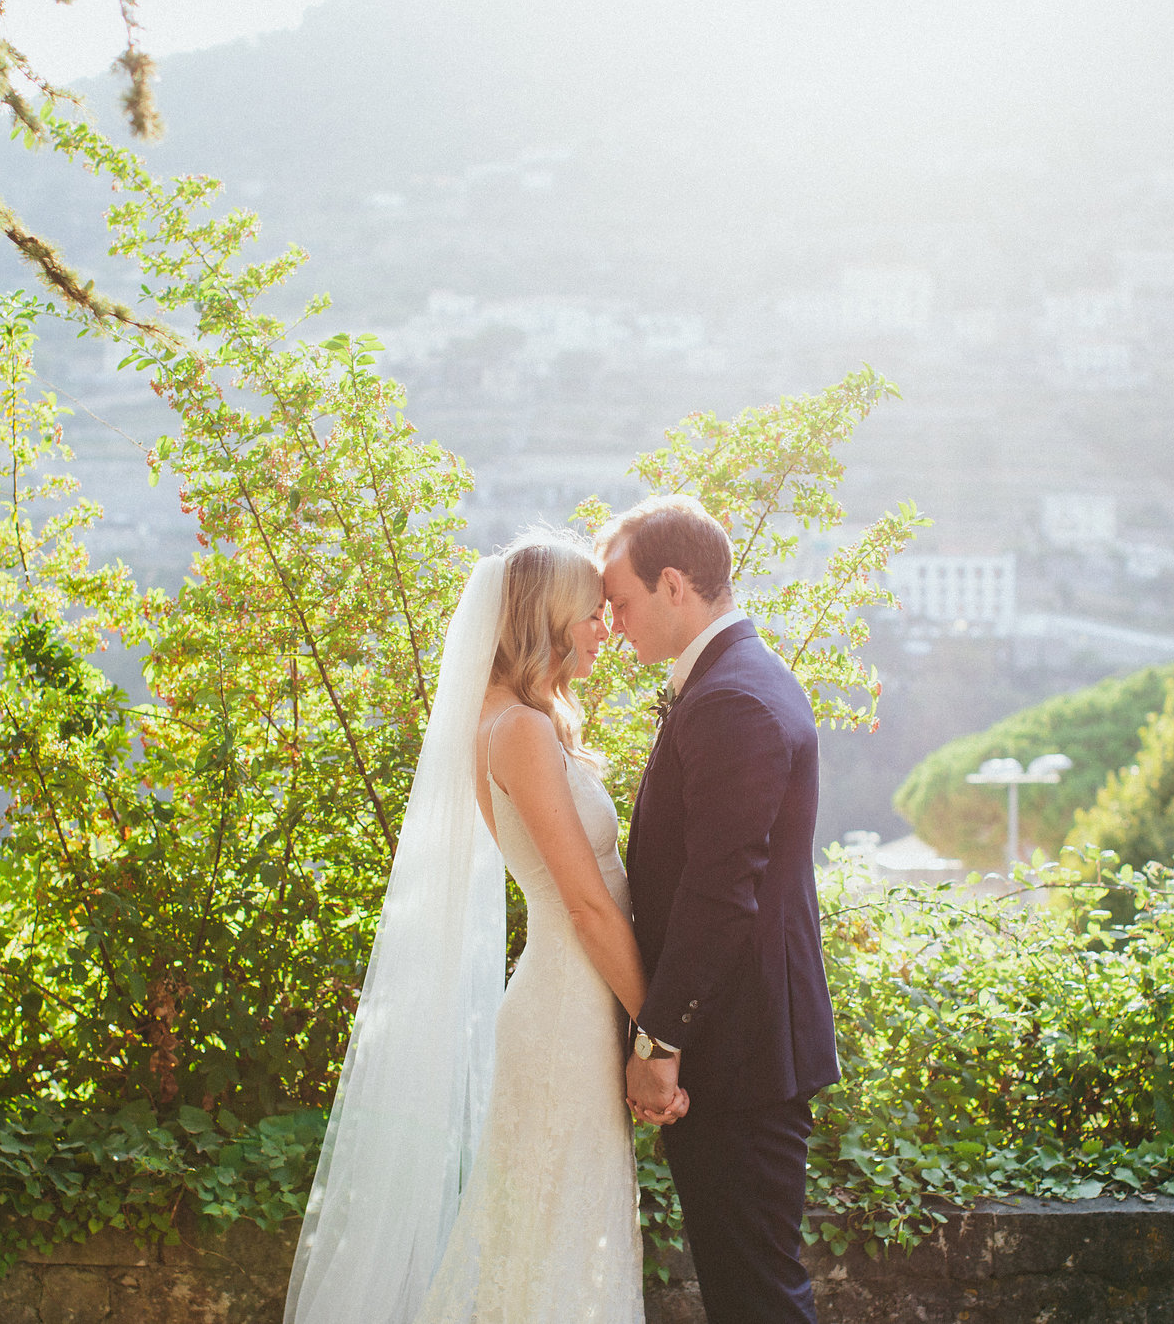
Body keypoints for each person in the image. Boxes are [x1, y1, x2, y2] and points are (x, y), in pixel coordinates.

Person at [285, 527, 676, 1324]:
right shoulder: (520, 731)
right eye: (593, 613)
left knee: (545, 1240)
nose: (606, 628)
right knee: (553, 1242)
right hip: (567, 1008)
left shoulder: (510, 720)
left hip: (568, 1000)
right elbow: (587, 905)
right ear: (551, 619)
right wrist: (660, 1031)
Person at [598, 495, 839, 1324]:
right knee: (751, 1290)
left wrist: (659, 1039)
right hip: (738, 1044)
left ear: (673, 585)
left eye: (621, 603)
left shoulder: (733, 699)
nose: (615, 625)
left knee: (759, 1297)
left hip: (737, 1052)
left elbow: (718, 895)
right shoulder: (733, 680)